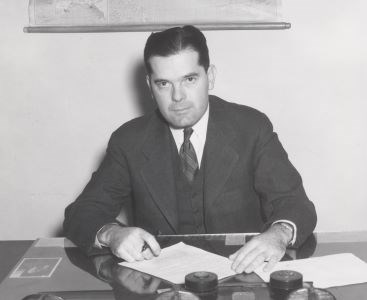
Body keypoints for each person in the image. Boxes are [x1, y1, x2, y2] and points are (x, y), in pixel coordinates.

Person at [63, 25, 317, 274]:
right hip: (160, 287)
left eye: (189, 79)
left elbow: (295, 203)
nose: (177, 97)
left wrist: (278, 234)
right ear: (150, 86)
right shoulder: (128, 140)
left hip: (240, 279)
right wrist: (113, 233)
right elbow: (82, 212)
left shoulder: (251, 128)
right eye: (164, 83)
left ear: (211, 77)